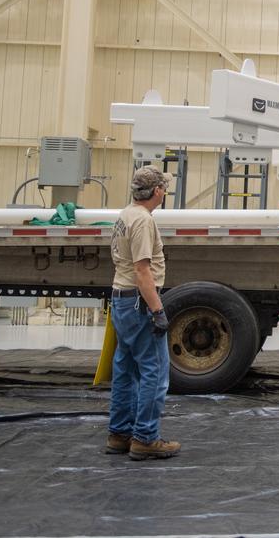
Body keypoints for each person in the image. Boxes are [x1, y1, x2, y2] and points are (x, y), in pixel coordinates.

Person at [105, 165, 181, 461]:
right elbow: (142, 270)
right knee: (155, 372)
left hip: (122, 300)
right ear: (157, 191)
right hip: (139, 303)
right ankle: (146, 438)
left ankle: (119, 434)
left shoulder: (126, 214)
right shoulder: (143, 221)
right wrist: (157, 309)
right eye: (164, 187)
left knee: (125, 369)